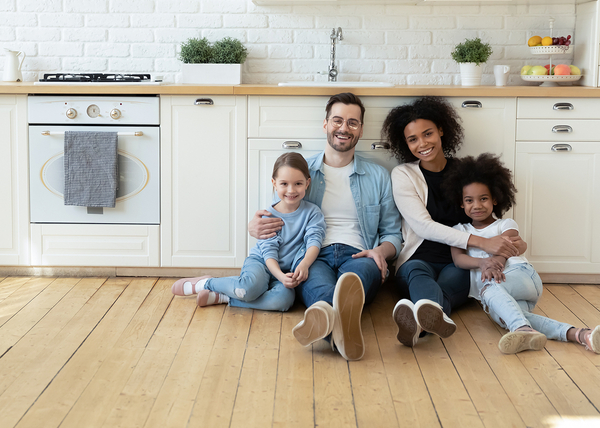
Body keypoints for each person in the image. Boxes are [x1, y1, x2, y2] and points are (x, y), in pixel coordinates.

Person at [249, 92, 402, 361]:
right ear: (325, 124)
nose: (344, 128)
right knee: (319, 289)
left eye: (352, 123)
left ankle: (326, 326)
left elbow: (392, 233)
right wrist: (255, 227)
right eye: (337, 121)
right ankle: (342, 331)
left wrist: (381, 252)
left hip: (360, 254)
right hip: (312, 256)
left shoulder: (378, 176)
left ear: (361, 129)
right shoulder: (300, 171)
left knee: (354, 281)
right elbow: (276, 216)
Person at [381, 96, 526, 348]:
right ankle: (428, 319)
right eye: (412, 139)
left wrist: (502, 244)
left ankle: (418, 325)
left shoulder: (466, 171)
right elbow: (423, 226)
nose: (422, 143)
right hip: (417, 258)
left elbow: (486, 212)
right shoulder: (403, 174)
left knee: (449, 285)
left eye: (428, 134)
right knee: (417, 274)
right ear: (405, 144)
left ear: (441, 130)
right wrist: (485, 243)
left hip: (460, 260)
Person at [444, 153, 600, 354]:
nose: (477, 205)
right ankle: (581, 335)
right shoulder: (458, 230)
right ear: (461, 203)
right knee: (511, 314)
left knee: (491, 292)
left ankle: (521, 330)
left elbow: (510, 246)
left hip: (521, 277)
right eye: (469, 200)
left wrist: (496, 264)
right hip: (496, 295)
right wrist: (483, 264)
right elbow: (458, 259)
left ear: (495, 199)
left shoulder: (505, 224)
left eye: (483, 198)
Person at [171, 152, 326, 312]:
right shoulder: (269, 215)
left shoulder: (313, 213)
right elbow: (268, 253)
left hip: (287, 272)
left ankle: (224, 297)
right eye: (284, 184)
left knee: (284, 300)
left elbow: (314, 240)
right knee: (249, 288)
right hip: (262, 263)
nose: (291, 190)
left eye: (298, 184)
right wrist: (279, 276)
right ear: (274, 183)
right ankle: (207, 283)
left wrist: (305, 264)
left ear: (307, 183)